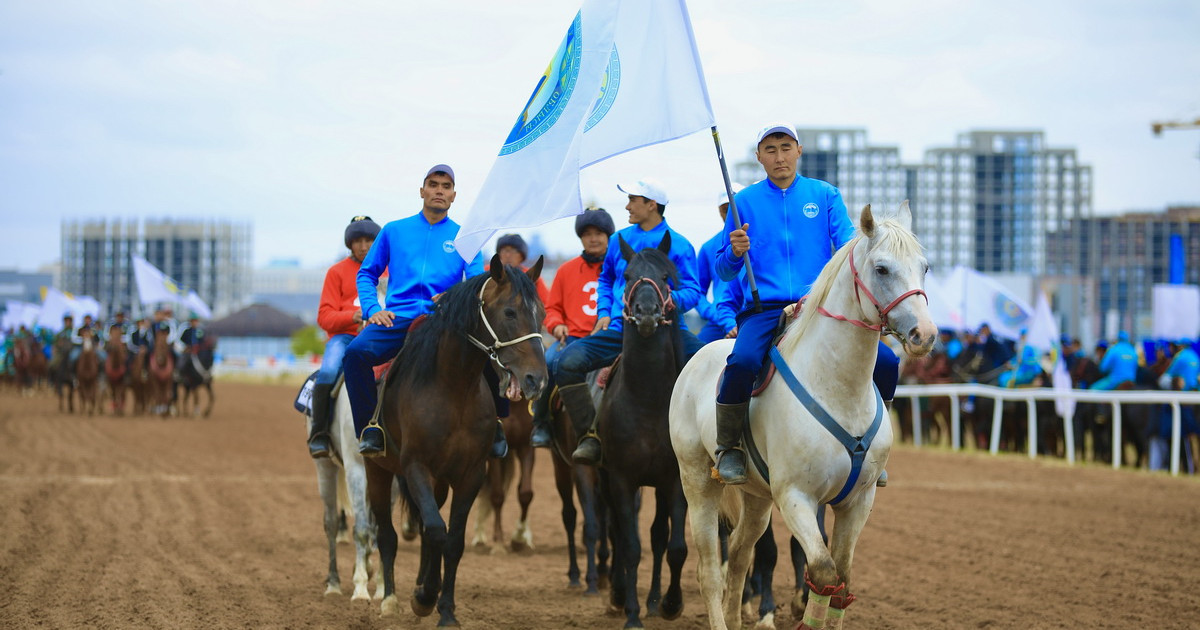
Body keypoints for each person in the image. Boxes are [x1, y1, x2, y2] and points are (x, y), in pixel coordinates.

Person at [711, 122, 900, 485]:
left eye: (786, 147)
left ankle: (876, 446)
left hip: (818, 307)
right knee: (742, 362)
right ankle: (729, 447)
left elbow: (849, 246)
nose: (779, 156)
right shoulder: (743, 202)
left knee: (888, 361)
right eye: (770, 149)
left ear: (799, 150)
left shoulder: (825, 195)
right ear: (758, 158)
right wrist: (735, 253)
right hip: (764, 309)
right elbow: (722, 268)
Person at [345, 164, 506, 458]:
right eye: (433, 185)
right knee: (354, 354)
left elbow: (476, 282)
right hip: (397, 317)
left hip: (443, 320)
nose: (439, 191)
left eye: (446, 187)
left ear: (454, 196)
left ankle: (495, 425)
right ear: (422, 191)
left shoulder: (466, 237)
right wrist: (372, 309)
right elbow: (367, 273)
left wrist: (455, 295)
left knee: (489, 348)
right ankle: (369, 430)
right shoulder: (394, 230)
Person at [554, 178, 703, 465]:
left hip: (670, 333)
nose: (627, 206)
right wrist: (604, 313)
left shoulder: (681, 245)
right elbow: (606, 279)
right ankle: (589, 436)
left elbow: (693, 289)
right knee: (567, 363)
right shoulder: (617, 241)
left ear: (651, 205)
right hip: (622, 331)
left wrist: (673, 301)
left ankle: (713, 444)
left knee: (716, 369)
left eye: (633, 200)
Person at [529, 207, 615, 448]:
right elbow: (552, 308)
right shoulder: (566, 270)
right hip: (574, 339)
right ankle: (542, 423)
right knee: (547, 362)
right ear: (580, 237)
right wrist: (556, 326)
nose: (594, 238)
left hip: (610, 339)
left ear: (609, 235)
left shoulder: (619, 269)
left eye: (599, 232)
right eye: (587, 233)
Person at [306, 215, 381, 458]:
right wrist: (355, 316)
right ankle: (319, 434)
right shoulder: (336, 272)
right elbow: (324, 317)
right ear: (350, 244)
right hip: (345, 338)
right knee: (328, 371)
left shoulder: (390, 269)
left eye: (369, 240)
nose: (364, 246)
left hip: (383, 335)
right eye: (357, 240)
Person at [695, 184, 744, 343]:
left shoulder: (761, 242)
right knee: (692, 357)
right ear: (719, 211)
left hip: (753, 316)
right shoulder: (708, 247)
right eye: (725, 208)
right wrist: (712, 312)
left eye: (733, 206)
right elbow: (697, 292)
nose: (730, 213)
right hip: (719, 321)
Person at [1150, 338, 1200, 471]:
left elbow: (1164, 379)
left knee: (1180, 434)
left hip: (1182, 400)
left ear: (1179, 346)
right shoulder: (1195, 356)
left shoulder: (1180, 357)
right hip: (1195, 396)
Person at [493, 233, 551, 306]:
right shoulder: (488, 273)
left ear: (522, 256)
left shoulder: (532, 277)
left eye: (513, 251)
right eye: (504, 250)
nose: (508, 255)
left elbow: (547, 304)